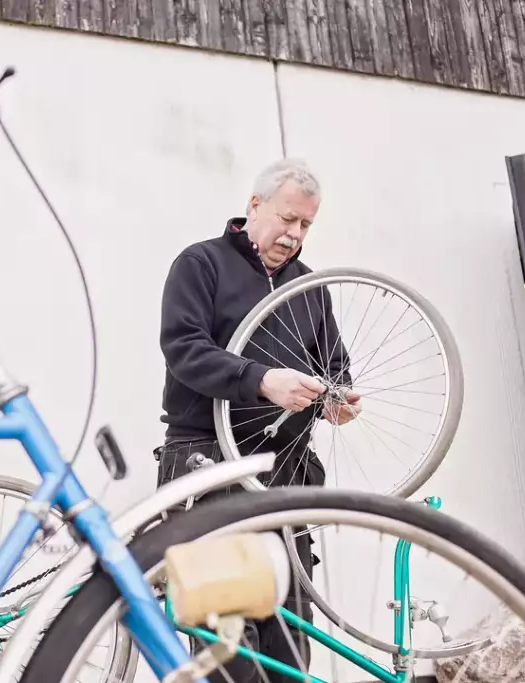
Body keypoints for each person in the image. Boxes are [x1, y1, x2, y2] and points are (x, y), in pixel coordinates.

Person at [155, 158, 362, 680]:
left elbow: (333, 367)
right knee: (230, 634)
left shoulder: (310, 286)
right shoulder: (201, 264)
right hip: (208, 461)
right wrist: (261, 380)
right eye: (287, 219)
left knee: (291, 629)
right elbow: (184, 348)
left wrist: (337, 401)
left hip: (284, 474)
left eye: (306, 226)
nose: (294, 235)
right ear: (254, 206)